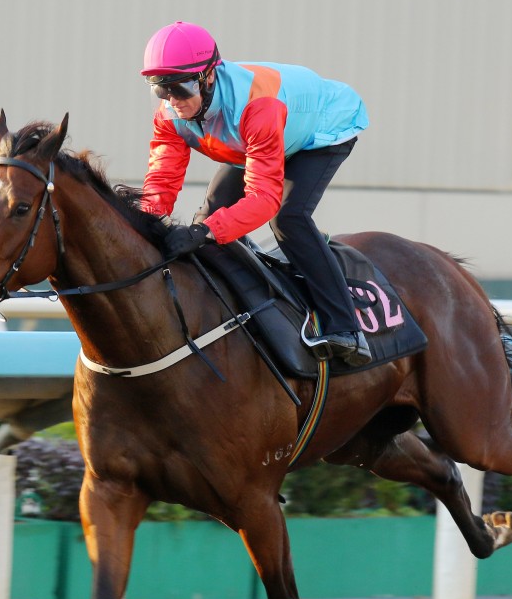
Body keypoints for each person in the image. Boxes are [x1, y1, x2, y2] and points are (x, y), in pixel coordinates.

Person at [138, 21, 372, 367]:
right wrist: (146, 222)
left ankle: (346, 329)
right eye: (161, 90)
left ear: (209, 77)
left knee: (287, 218)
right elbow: (162, 179)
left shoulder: (258, 106)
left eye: (181, 88)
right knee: (210, 216)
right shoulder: (170, 114)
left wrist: (204, 233)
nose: (173, 100)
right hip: (250, 140)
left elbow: (264, 199)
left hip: (320, 131)